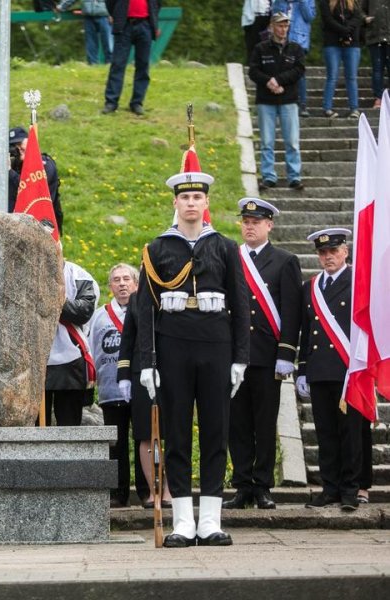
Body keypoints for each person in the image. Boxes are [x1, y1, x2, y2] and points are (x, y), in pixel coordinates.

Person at [136, 171, 250, 547]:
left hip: (216, 345)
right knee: (178, 434)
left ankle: (211, 521)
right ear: (175, 203)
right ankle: (183, 521)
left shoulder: (225, 247)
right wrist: (148, 361)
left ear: (205, 204)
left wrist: (240, 358)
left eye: (197, 198)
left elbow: (241, 305)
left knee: (217, 431)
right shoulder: (157, 249)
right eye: (184, 198)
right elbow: (146, 311)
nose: (190, 204)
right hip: (173, 347)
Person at [224, 199, 302, 510]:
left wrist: (286, 352)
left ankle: (262, 486)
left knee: (265, 423)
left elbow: (292, 311)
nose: (249, 226)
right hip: (235, 357)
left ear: (269, 225)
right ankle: (242, 484)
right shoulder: (232, 257)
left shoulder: (285, 261)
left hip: (268, 357)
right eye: (245, 221)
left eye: (256, 221)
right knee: (237, 423)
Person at [297, 228, 362, 511]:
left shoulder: (359, 282)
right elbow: (306, 330)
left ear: (345, 252)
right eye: (323, 253)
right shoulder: (310, 287)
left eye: (333, 252)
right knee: (325, 433)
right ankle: (330, 488)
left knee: (351, 433)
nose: (328, 257)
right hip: (320, 369)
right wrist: (302, 369)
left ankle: (350, 490)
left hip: (349, 370)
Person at [88, 263, 146, 506]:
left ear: (135, 283)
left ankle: (146, 491)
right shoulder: (99, 316)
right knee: (116, 443)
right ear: (110, 285)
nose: (122, 284)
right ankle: (118, 493)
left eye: (126, 279)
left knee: (143, 439)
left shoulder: (145, 311)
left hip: (141, 387)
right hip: (111, 388)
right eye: (116, 280)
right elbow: (91, 349)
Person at [117, 287, 171, 509]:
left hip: (173, 372)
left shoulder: (175, 292)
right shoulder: (136, 299)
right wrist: (124, 375)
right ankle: (153, 491)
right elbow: (128, 338)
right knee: (146, 434)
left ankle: (170, 490)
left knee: (173, 433)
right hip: (142, 374)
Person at [248, 12, 306, 191]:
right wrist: (268, 82)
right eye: (280, 25)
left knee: (292, 142)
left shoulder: (295, 48)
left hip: (288, 99)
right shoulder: (261, 48)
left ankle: (294, 176)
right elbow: (253, 71)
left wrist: (279, 80)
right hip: (266, 101)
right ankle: (268, 176)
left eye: (286, 26)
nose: (283, 29)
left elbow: (299, 69)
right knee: (267, 142)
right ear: (272, 27)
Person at [45, 249, 98, 427]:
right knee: (34, 427)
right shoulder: (24, 271)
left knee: (69, 425)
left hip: (70, 358)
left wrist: (54, 300)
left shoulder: (78, 275)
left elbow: (84, 311)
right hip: (35, 358)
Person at [0, 126, 64, 232]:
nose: (18, 149)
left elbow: (31, 191)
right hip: (14, 227)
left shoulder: (44, 164)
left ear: (29, 142)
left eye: (20, 144)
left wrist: (9, 172)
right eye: (14, 146)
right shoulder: (13, 164)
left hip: (42, 228)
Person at [101, 0, 159, 116]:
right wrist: (118, 15)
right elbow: (109, 2)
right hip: (124, 25)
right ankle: (111, 102)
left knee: (143, 65)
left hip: (145, 25)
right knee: (118, 64)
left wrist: (153, 20)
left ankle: (137, 103)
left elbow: (157, 3)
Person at [320, 0, 365, 119]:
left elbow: (357, 17)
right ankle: (327, 108)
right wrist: (343, 30)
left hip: (352, 42)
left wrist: (348, 30)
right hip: (332, 42)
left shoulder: (354, 2)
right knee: (332, 76)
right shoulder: (326, 2)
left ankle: (354, 108)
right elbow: (327, 19)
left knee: (351, 77)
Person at [272, 1, 316, 117]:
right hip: (281, 39)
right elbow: (275, 15)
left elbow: (310, 17)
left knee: (299, 73)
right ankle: (280, 103)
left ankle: (302, 105)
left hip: (299, 39)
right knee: (280, 71)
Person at [363, 0, 390, 108]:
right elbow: (360, 9)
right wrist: (365, 18)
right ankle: (378, 98)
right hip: (375, 36)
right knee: (377, 69)